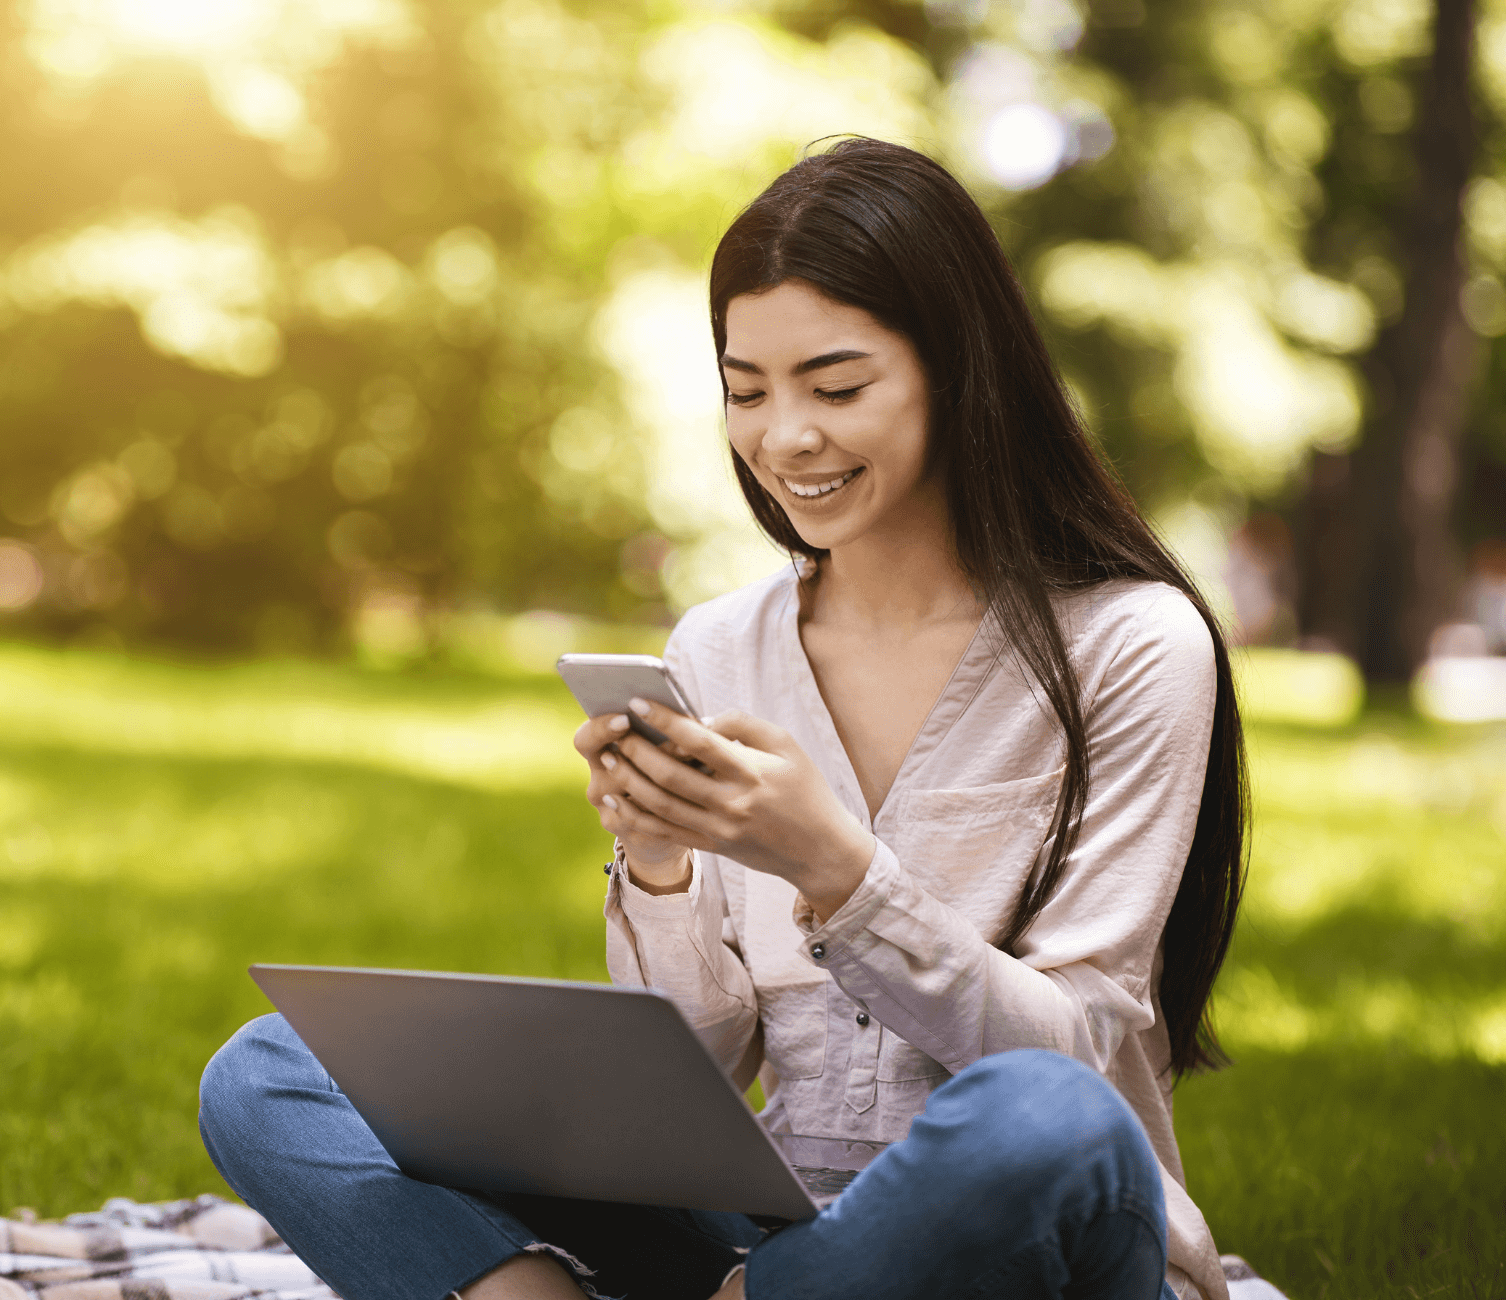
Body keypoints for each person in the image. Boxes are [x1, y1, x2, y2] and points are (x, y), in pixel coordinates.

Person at [199, 137, 1247, 1300]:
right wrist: (655, 867)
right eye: (747, 391)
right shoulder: (718, 645)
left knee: (1043, 1115)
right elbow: (697, 1074)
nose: (783, 437)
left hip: (1020, 1233)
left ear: (958, 369)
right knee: (275, 1070)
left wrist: (838, 868)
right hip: (770, 1232)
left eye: (836, 387)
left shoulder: (1133, 643)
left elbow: (1079, 1061)